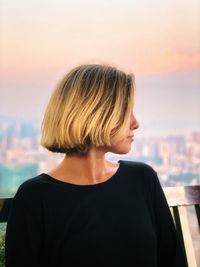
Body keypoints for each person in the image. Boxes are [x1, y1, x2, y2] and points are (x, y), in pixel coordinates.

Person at [5, 64, 187, 267]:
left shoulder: (142, 179)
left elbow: (171, 261)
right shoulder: (34, 197)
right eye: (126, 111)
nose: (135, 123)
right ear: (95, 114)